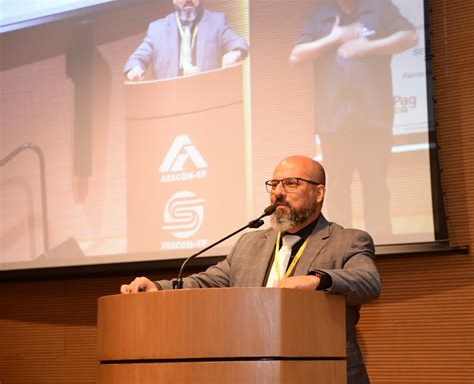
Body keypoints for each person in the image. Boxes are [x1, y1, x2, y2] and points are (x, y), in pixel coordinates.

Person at [121, 155, 381, 384]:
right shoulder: (250, 243)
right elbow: (208, 281)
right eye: (274, 184)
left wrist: (317, 280)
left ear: (319, 193)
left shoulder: (348, 240)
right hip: (253, 370)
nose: (278, 192)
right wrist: (158, 287)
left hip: (324, 371)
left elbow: (368, 282)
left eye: (291, 183)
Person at [289, 0, 418, 241]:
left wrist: (367, 47)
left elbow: (410, 36)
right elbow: (296, 56)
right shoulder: (322, 14)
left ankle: (380, 242)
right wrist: (334, 38)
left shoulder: (379, 7)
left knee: (376, 186)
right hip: (334, 123)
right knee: (336, 189)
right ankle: (339, 247)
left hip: (373, 119)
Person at [124, 0, 249, 81]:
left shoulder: (216, 22)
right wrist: (134, 69)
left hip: (208, 99)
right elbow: (136, 59)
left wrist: (236, 52)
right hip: (169, 103)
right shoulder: (157, 29)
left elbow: (238, 42)